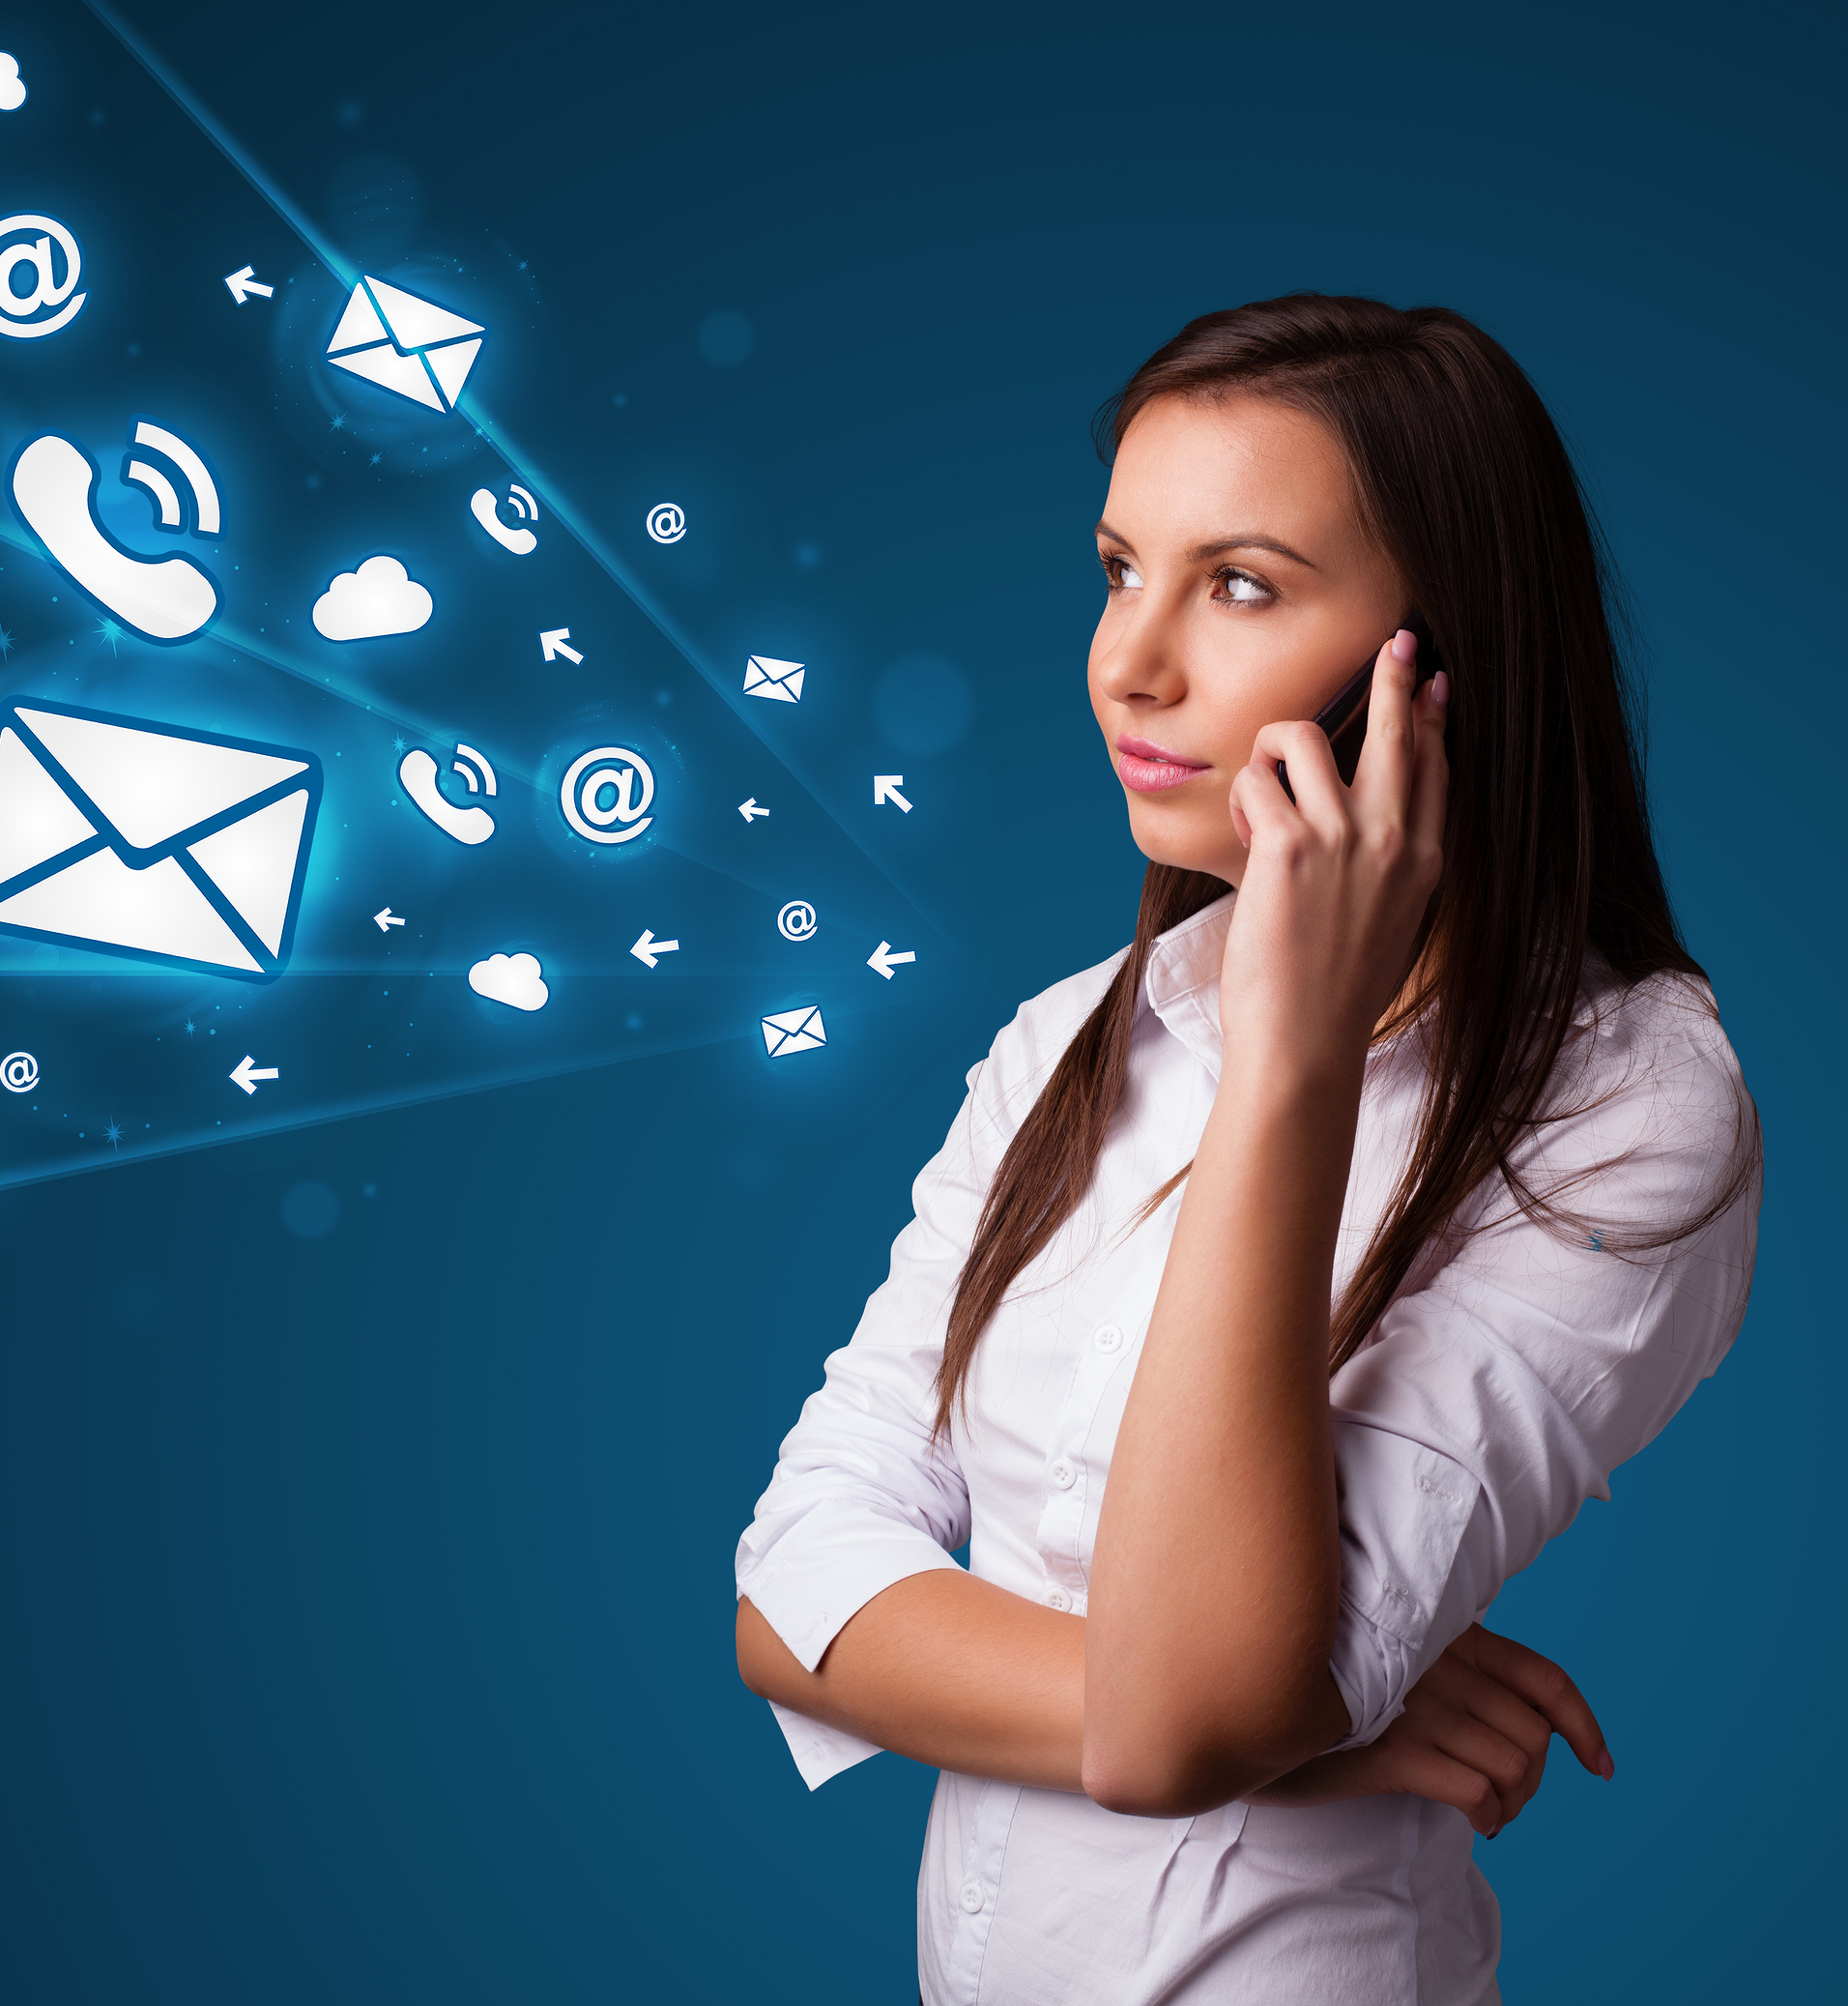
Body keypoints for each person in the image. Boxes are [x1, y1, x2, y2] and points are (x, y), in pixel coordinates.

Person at [732, 293, 1760, 2003]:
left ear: (1437, 657)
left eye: (1242, 586)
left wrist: (1295, 1060)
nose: (1130, 663)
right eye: (1120, 568)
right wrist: (1291, 1728)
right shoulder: (1078, 1034)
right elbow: (793, 1590)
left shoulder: (1627, 1101)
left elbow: (1187, 1721)